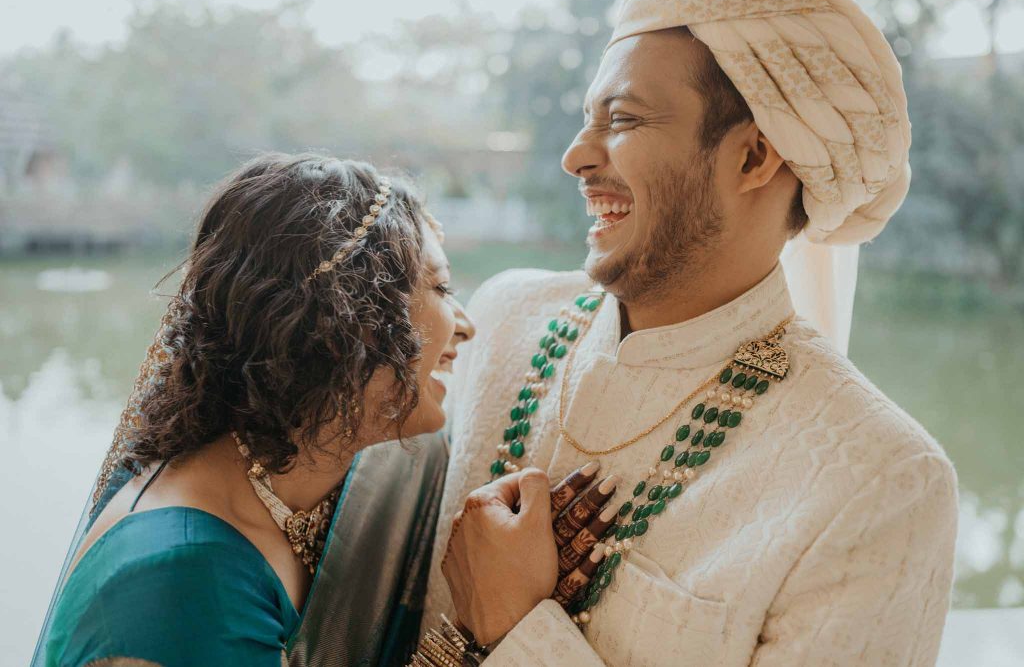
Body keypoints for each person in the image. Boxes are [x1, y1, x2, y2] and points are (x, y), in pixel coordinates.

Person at [420, 0, 959, 665]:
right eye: (588, 120)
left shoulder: (880, 484)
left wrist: (519, 627)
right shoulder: (500, 320)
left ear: (753, 158)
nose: (576, 157)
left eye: (624, 120)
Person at [33, 154, 605, 667]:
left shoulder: (331, 480)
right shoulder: (181, 580)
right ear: (347, 320)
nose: (464, 323)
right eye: (441, 287)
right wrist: (479, 632)